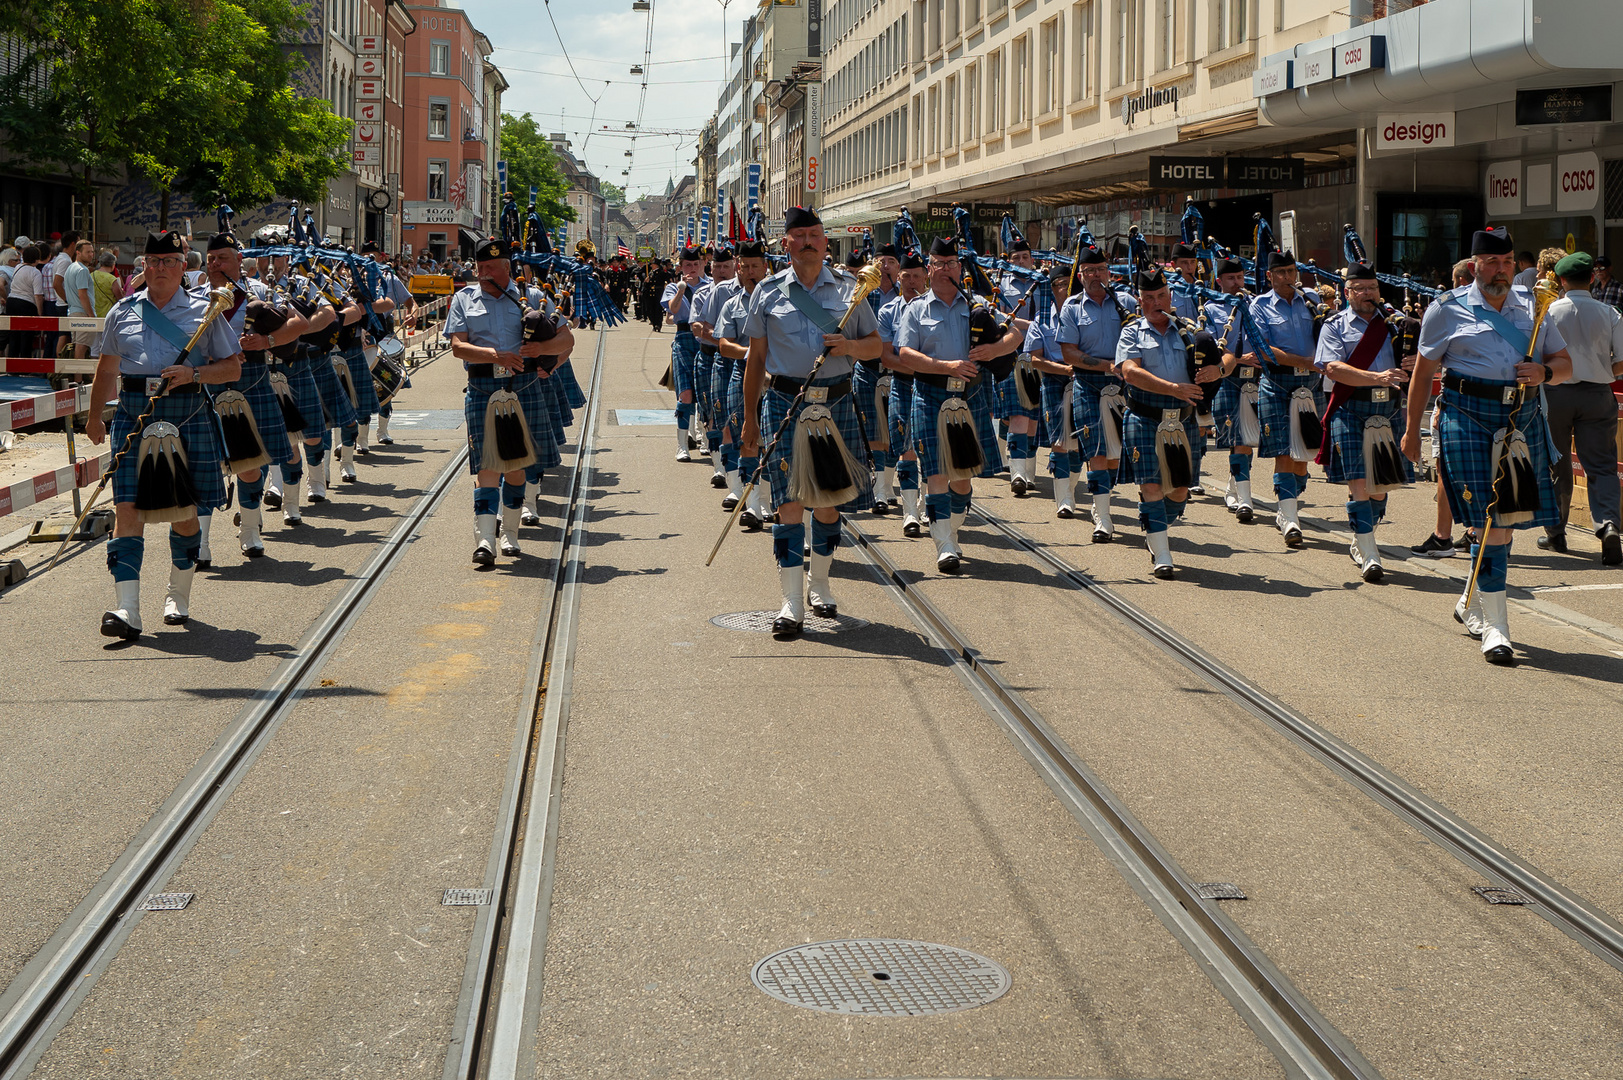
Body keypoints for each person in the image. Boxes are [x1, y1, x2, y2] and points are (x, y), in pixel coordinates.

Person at [1403, 227, 1573, 665]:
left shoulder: (1536, 306)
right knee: (1489, 518)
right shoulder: (1446, 309)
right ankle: (1498, 627)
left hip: (1521, 418)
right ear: (1474, 264)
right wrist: (1410, 432)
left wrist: (1544, 374)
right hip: (1466, 416)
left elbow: (1564, 363)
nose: (1501, 269)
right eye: (1492, 262)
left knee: (1504, 521)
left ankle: (1470, 601)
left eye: (1508, 261)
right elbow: (1423, 375)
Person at [84, 230, 243, 638]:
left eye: (169, 262)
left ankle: (179, 594)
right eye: (152, 262)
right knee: (127, 510)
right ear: (143, 266)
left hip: (185, 412)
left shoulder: (204, 311)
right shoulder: (122, 311)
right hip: (134, 413)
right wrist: (96, 416)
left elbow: (232, 368)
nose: (159, 269)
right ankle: (127, 610)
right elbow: (107, 367)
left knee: (185, 515)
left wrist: (195, 373)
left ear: (181, 265)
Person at [740, 206, 882, 635]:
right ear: (786, 245)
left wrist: (850, 349)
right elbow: (756, 360)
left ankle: (819, 582)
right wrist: (749, 422)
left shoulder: (850, 290)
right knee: (788, 504)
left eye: (815, 235)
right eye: (799, 236)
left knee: (827, 503)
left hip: (834, 403)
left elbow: (877, 346)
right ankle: (790, 601)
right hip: (784, 401)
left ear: (825, 242)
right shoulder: (766, 292)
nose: (808, 242)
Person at [897, 236, 1020, 573]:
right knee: (935, 472)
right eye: (939, 264)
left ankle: (949, 531)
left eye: (952, 263)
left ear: (960, 268)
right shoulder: (916, 308)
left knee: (963, 480)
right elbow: (906, 355)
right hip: (930, 393)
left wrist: (995, 351)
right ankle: (944, 544)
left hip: (971, 396)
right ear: (929, 268)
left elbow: (1020, 333)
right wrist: (946, 366)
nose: (945, 269)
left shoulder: (979, 305)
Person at [446, 239, 573, 564]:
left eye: (491, 268)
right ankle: (485, 540)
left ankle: (510, 534)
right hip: (482, 387)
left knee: (516, 468)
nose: (484, 274)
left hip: (523, 387)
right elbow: (458, 347)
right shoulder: (463, 298)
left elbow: (566, 338)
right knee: (487, 467)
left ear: (507, 267)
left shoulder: (531, 296)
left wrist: (541, 350)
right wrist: (494, 354)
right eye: (480, 268)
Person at [1312, 261, 1417, 583]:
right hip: (1350, 407)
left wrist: (1415, 363)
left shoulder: (1397, 324)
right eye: (1361, 289)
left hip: (1388, 410)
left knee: (1379, 488)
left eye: (1373, 288)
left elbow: (1418, 362)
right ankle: (1370, 553)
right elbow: (1331, 369)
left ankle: (1361, 538)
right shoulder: (1334, 325)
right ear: (1348, 293)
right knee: (1359, 482)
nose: (1369, 294)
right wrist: (1377, 377)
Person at [204, 232, 305, 558]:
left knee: (250, 466)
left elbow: (297, 325)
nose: (215, 264)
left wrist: (267, 343)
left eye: (222, 258)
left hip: (252, 382)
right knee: (204, 466)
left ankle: (249, 527)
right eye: (210, 259)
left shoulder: (260, 292)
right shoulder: (193, 295)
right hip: (208, 381)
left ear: (238, 260)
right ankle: (201, 544)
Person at [1116, 270, 1222, 578]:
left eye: (1161, 296)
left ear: (1170, 297)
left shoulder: (1191, 331)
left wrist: (1217, 371)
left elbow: (1224, 359)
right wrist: (1173, 389)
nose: (1155, 303)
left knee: (1179, 490)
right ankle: (1162, 553)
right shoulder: (1132, 332)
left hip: (1182, 420)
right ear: (1140, 301)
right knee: (1151, 485)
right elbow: (1130, 373)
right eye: (1148, 298)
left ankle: (1155, 521)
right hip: (1145, 416)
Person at [1540, 252, 1623, 564]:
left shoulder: (1549, 311)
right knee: (1602, 465)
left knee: (1555, 462)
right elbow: (1622, 360)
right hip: (1598, 393)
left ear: (1561, 281)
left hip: (1555, 392)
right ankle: (1608, 525)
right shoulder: (1610, 312)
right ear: (1591, 278)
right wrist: (1603, 371)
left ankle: (1555, 532)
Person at [1058, 245, 1138, 542]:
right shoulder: (1072, 306)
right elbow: (1069, 352)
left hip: (1123, 385)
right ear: (1080, 275)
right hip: (1088, 383)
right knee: (1097, 451)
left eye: (1100, 270)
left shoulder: (1126, 302)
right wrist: (1107, 364)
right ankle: (1103, 516)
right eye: (1089, 271)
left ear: (1109, 272)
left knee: (1116, 453)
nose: (1095, 276)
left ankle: (1101, 501)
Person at [1250, 250, 1321, 548]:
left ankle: (1291, 495)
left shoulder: (1313, 301)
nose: (1287, 277)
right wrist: (1305, 360)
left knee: (1305, 456)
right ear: (1269, 276)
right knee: (1284, 451)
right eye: (1280, 272)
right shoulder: (1259, 306)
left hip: (1311, 382)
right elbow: (1264, 350)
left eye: (1291, 271)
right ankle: (1289, 518)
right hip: (1277, 383)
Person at [1411, 257, 1477, 557]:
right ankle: (1476, 533)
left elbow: (1426, 369)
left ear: (1462, 281)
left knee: (1447, 471)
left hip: (1458, 406)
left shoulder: (1450, 307)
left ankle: (1444, 535)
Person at [714, 239, 772, 525]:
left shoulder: (781, 298)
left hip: (776, 378)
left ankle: (768, 500)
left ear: (765, 267)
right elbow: (724, 345)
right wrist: (751, 352)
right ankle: (752, 505)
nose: (750, 272)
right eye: (745, 266)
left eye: (755, 266)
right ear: (738, 268)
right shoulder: (731, 304)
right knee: (747, 438)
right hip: (744, 372)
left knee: (773, 441)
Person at [878, 250, 929, 532]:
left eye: (917, 276)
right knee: (906, 449)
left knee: (930, 451)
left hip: (932, 387)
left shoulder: (936, 309)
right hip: (903, 384)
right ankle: (909, 511)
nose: (911, 281)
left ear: (926, 277)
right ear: (898, 278)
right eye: (906, 276)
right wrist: (926, 367)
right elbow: (886, 357)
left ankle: (926, 507)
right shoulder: (887, 312)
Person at [1209, 258, 1260, 521]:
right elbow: (1210, 347)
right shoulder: (1210, 308)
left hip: (1256, 378)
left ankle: (1235, 488)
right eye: (1230, 278)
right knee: (1238, 438)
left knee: (1247, 440)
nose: (1236, 283)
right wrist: (1240, 358)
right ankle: (1245, 499)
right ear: (1219, 281)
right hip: (1228, 377)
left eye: (1240, 277)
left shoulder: (1256, 306)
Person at [691, 246, 740, 489]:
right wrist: (729, 341)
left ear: (734, 266)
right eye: (717, 267)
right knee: (713, 411)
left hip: (736, 358)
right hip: (711, 357)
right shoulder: (703, 294)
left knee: (735, 416)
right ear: (711, 268)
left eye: (725, 267)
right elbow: (697, 328)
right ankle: (719, 467)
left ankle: (733, 465)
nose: (721, 271)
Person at [996, 235, 1041, 498]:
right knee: (1017, 415)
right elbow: (1000, 316)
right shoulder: (1000, 285)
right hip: (1011, 353)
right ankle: (1018, 474)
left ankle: (1029, 470)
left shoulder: (1042, 283)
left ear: (1032, 259)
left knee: (1033, 418)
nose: (1021, 261)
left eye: (1025, 257)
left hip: (1040, 355)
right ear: (1009, 260)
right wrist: (1033, 328)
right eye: (1016, 258)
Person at [663, 248, 710, 461]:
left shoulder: (711, 287)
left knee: (706, 394)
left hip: (706, 339)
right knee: (685, 395)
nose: (692, 269)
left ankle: (707, 439)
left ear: (702, 265)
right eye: (688, 265)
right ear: (681, 266)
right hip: (683, 339)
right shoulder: (673, 287)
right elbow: (672, 311)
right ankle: (682, 445)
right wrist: (682, 289)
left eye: (696, 264)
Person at [7, 245, 44, 358]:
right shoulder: (35, 272)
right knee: (26, 335)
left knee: (13, 334)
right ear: (37, 259)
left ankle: (11, 364)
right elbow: (37, 295)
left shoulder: (18, 267)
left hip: (11, 301)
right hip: (26, 304)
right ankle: (25, 365)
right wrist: (39, 313)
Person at [63, 239, 98, 359]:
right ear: (78, 252)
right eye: (87, 252)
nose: (91, 255)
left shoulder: (70, 268)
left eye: (92, 252)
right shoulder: (82, 270)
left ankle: (76, 376)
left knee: (77, 345)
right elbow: (82, 294)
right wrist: (91, 315)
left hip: (73, 311)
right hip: (83, 313)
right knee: (82, 347)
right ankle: (78, 377)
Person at [92, 251, 123, 317]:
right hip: (108, 315)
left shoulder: (91, 275)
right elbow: (120, 299)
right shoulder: (111, 279)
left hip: (93, 313)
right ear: (113, 265)